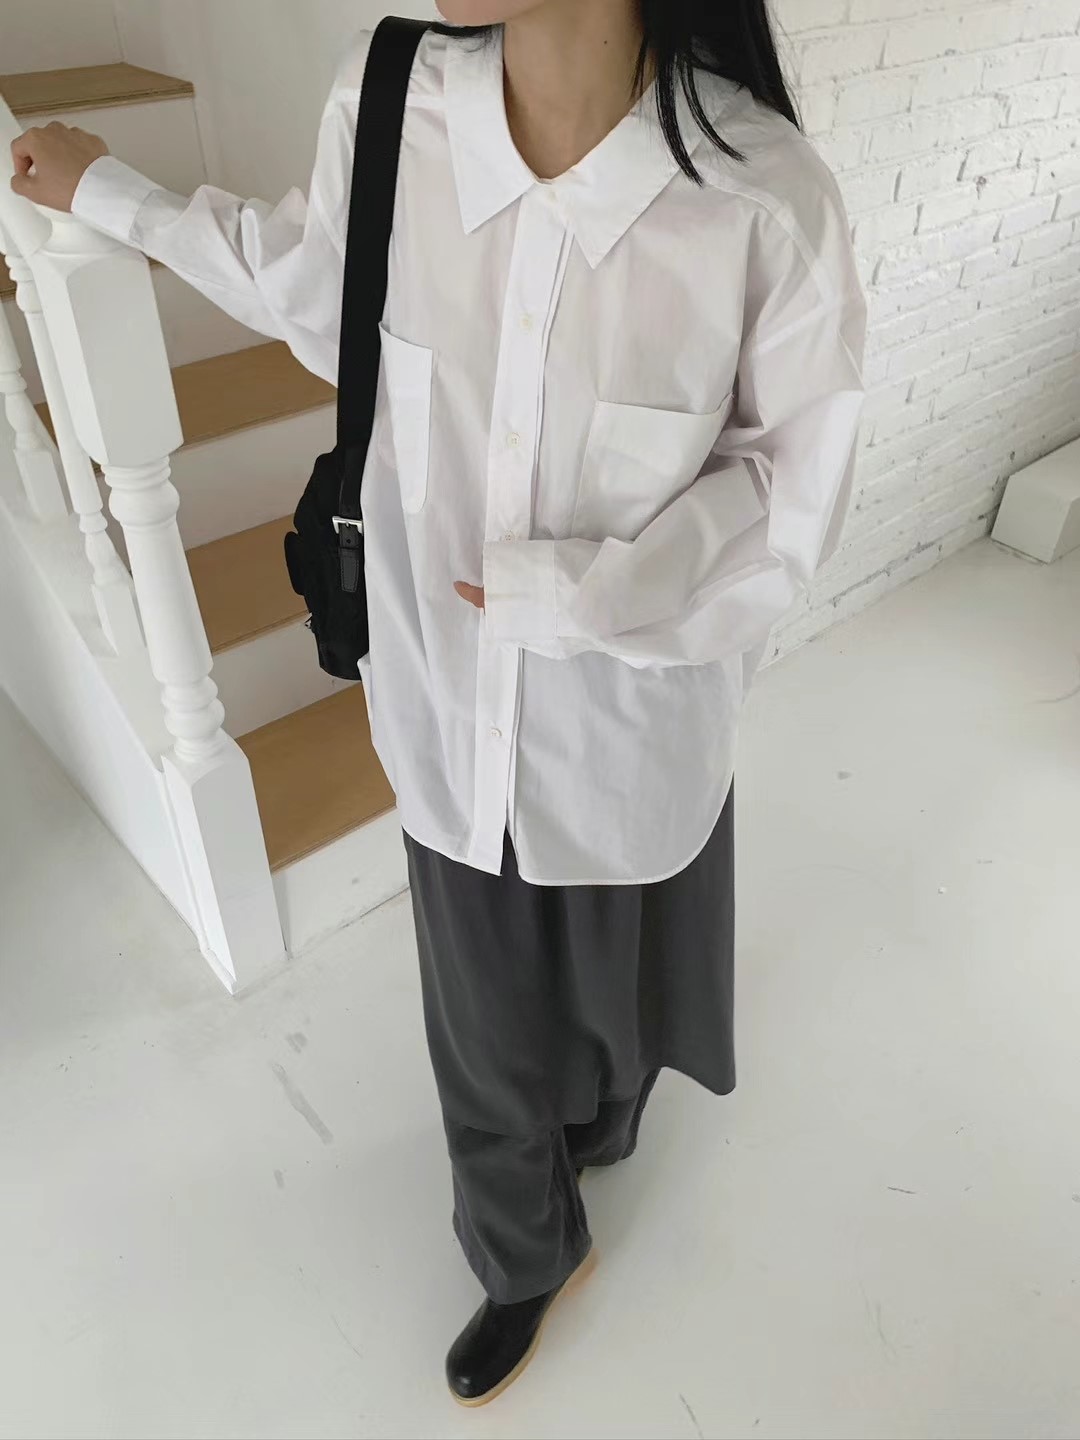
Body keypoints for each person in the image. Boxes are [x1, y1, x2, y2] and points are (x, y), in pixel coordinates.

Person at [12, 0, 866, 1408]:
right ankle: (526, 1252)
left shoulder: (763, 199)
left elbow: (791, 498)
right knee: (477, 1005)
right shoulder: (392, 100)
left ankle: (603, 1119)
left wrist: (584, 595)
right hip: (444, 694)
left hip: (634, 723)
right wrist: (118, 196)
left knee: (620, 972)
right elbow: (318, 290)